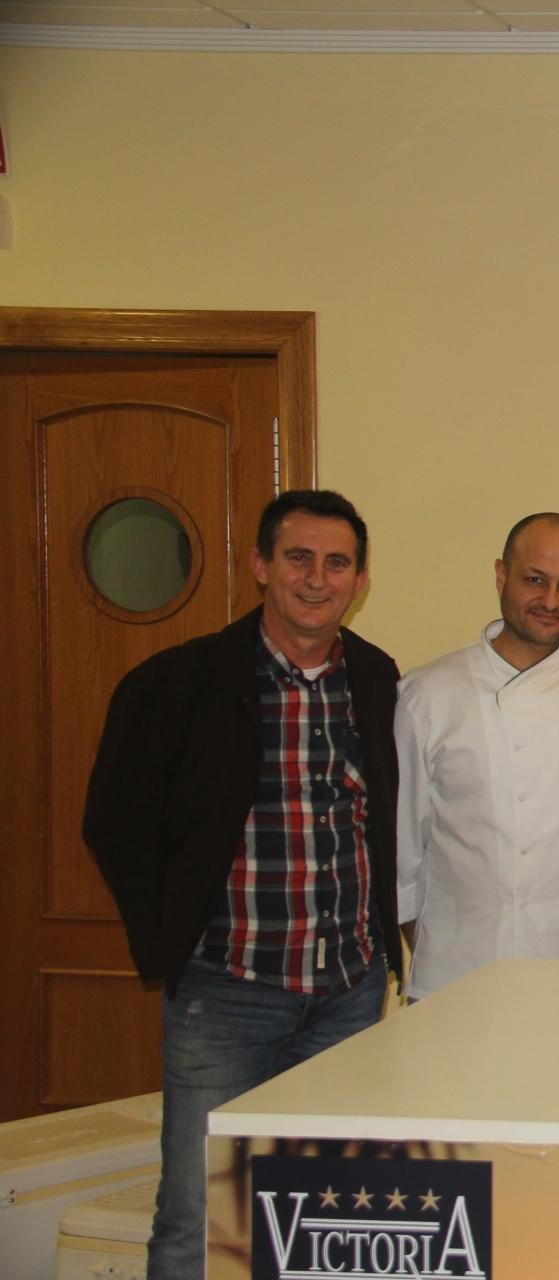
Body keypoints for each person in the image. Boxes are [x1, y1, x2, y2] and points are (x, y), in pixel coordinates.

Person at [82, 490, 402, 1280]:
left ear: (360, 580)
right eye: (298, 558)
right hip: (227, 994)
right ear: (260, 565)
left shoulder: (375, 678)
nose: (317, 579)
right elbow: (115, 823)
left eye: (337, 563)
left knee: (324, 1218)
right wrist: (172, 935)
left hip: (347, 996)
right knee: (198, 1218)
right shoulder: (178, 683)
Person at [394, 513, 559, 1000]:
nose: (551, 601)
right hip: (460, 976)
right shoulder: (428, 693)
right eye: (535, 580)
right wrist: (438, 956)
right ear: (501, 575)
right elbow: (402, 853)